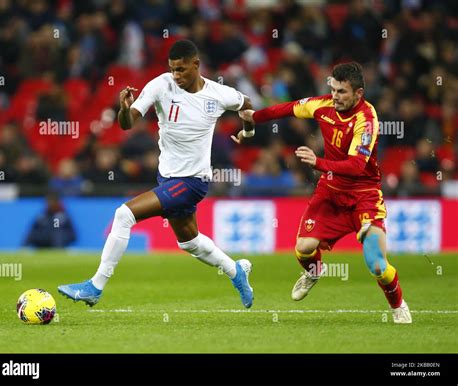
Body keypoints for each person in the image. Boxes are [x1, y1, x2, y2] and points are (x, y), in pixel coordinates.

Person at [58, 40, 254, 308]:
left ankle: (95, 286)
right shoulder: (161, 85)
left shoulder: (218, 94)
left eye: (182, 70)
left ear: (196, 65)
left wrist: (248, 131)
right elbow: (128, 123)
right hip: (168, 178)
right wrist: (124, 110)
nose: (176, 76)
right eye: (173, 69)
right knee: (190, 242)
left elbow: (246, 103)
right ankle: (236, 271)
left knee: (123, 215)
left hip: (193, 182)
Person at [236, 62, 412, 323]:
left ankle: (398, 307)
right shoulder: (323, 105)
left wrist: (317, 162)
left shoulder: (367, 119)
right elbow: (288, 108)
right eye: (333, 90)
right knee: (303, 248)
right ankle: (315, 271)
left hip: (364, 195)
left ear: (358, 93)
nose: (335, 96)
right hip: (330, 191)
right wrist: (256, 117)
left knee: (376, 264)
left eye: (342, 92)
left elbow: (355, 166)